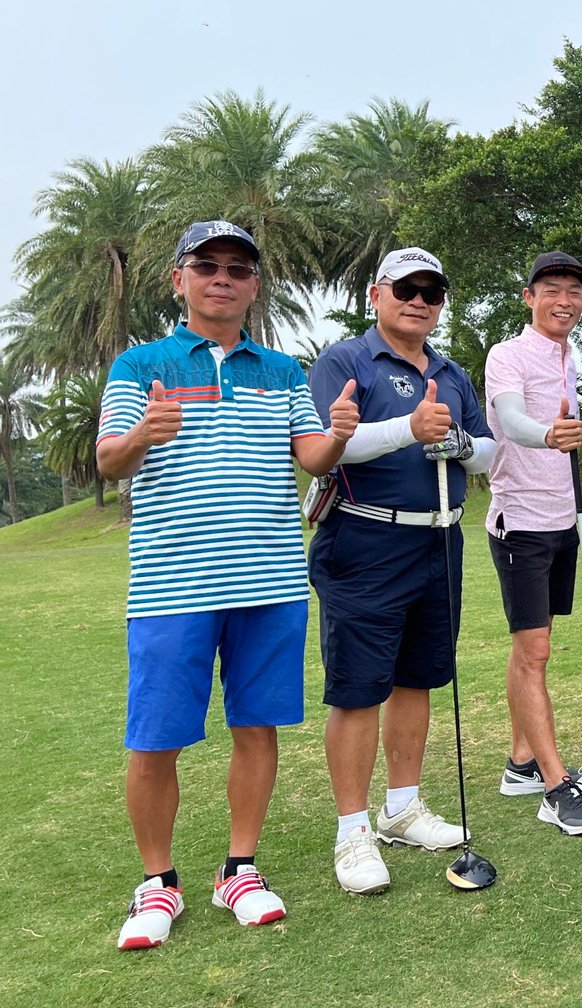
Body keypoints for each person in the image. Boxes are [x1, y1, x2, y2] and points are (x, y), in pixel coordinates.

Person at [97, 221, 356, 948]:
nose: (222, 277)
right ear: (178, 279)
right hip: (171, 586)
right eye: (206, 264)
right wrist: (142, 434)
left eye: (238, 269)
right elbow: (110, 461)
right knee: (155, 739)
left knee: (256, 726)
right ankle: (158, 882)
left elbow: (311, 457)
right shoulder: (140, 364)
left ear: (254, 286)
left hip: (270, 582)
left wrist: (339, 433)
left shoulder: (283, 370)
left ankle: (239, 869)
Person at [308, 247, 496, 894]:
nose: (419, 301)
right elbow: (330, 445)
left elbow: (488, 454)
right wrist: (409, 429)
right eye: (406, 289)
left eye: (431, 292)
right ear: (376, 294)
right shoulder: (344, 361)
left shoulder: (451, 372)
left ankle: (402, 808)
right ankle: (353, 830)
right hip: (365, 539)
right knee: (359, 688)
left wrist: (458, 443)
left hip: (438, 540)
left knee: (419, 677)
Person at [482, 251, 582, 836]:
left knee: (533, 647)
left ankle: (521, 762)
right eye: (551, 289)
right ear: (529, 297)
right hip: (521, 522)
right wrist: (548, 435)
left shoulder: (569, 356)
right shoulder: (506, 354)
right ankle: (556, 786)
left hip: (562, 520)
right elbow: (510, 420)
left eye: (574, 292)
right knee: (534, 652)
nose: (564, 300)